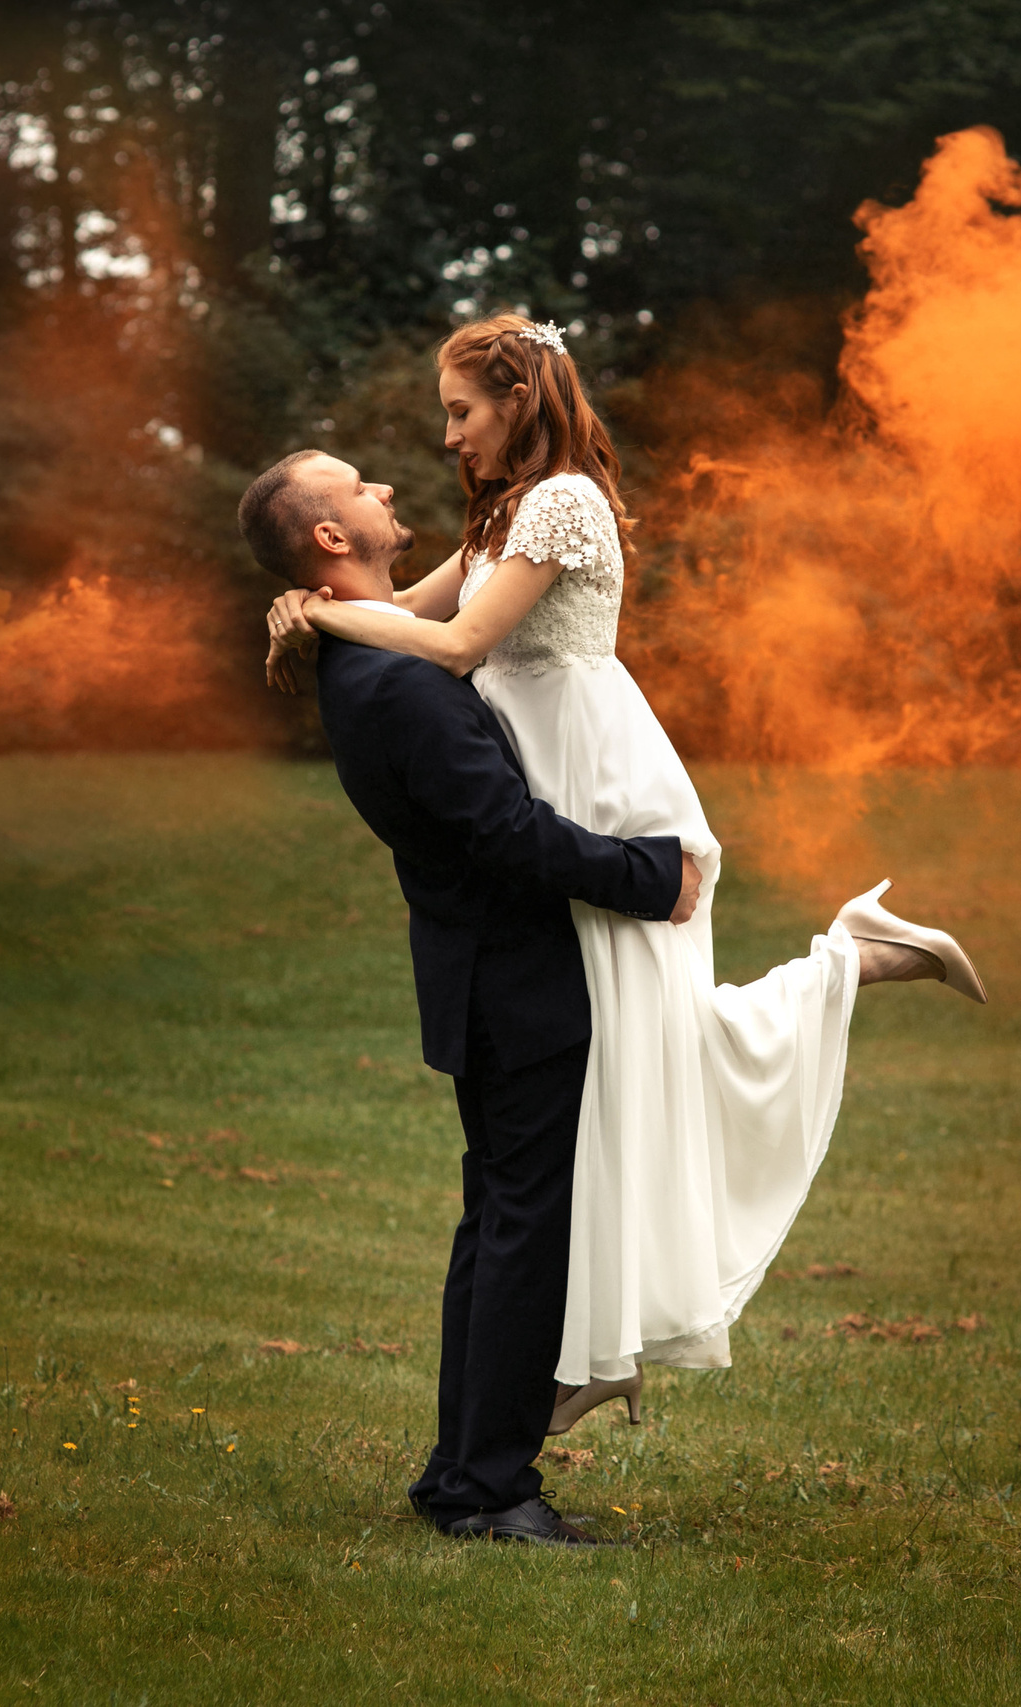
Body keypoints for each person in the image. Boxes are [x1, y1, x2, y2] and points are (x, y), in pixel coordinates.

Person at [263, 314, 985, 1441]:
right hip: (539, 778)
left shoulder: (561, 501)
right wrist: (320, 609)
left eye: (461, 411)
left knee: (652, 1049)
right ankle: (596, 1349)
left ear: (516, 398)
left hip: (593, 782)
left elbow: (450, 647)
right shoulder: (502, 512)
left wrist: (320, 607)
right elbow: (401, 613)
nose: (448, 440)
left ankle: (843, 967)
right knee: (635, 1063)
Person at [237, 445, 700, 1547]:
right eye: (359, 488)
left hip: (481, 980)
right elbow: (504, 831)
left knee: (497, 1229)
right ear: (330, 539)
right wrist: (652, 876)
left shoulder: (375, 658)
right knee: (519, 1236)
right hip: (517, 986)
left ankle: (463, 1477)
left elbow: (447, 605)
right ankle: (491, 1492)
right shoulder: (398, 680)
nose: (387, 487)